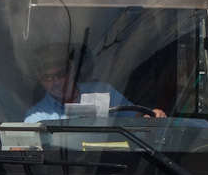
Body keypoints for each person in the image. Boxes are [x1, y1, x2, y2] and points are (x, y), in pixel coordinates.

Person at [23, 43, 165, 123]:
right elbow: (24, 147)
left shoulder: (103, 92)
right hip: (62, 169)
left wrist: (151, 117)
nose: (55, 82)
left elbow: (135, 119)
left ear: (72, 70)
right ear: (39, 79)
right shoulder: (37, 117)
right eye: (48, 77)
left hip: (107, 167)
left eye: (60, 74)